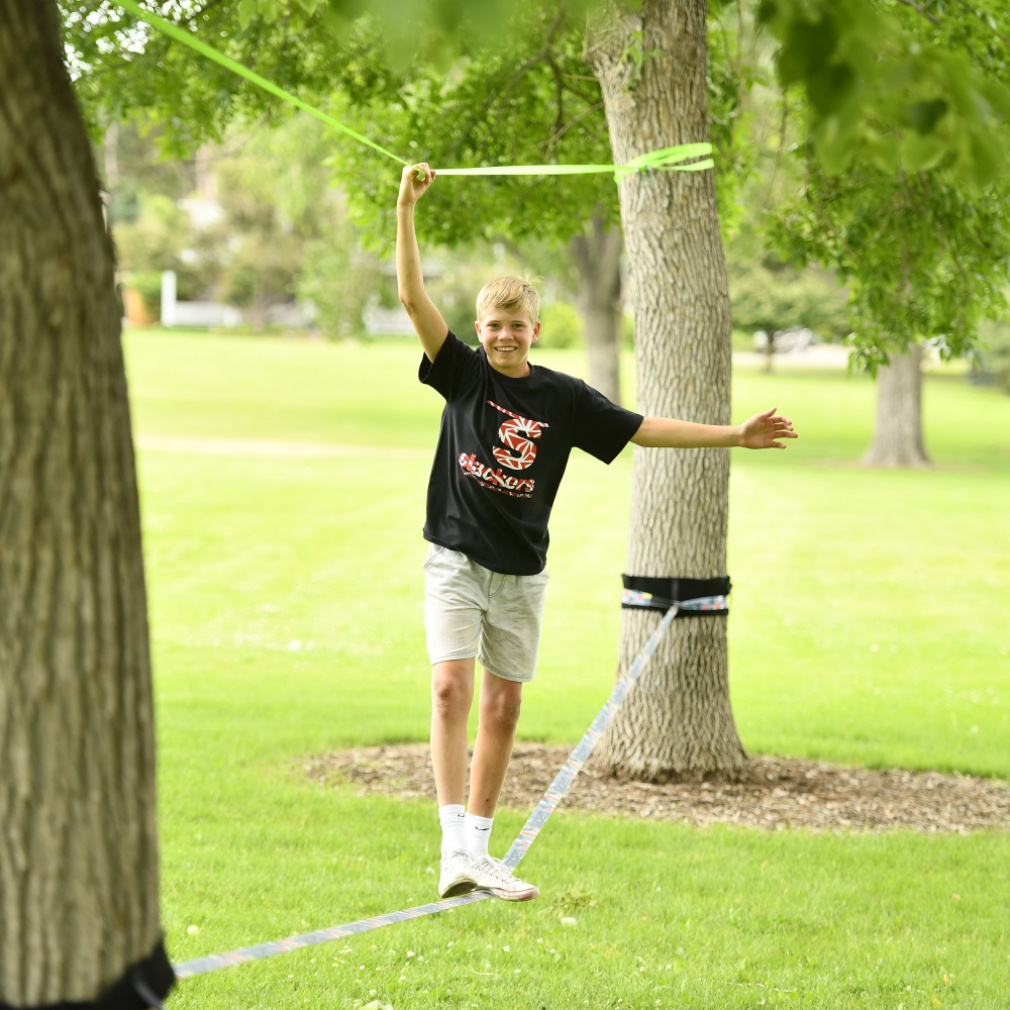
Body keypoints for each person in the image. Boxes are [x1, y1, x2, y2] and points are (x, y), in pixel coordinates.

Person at [396, 162, 797, 902]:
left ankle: (479, 852)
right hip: (455, 561)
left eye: (517, 326)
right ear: (479, 332)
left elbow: (642, 429)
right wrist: (406, 208)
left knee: (504, 707)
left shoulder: (563, 397)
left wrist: (734, 436)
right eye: (493, 326)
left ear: (535, 331)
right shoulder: (462, 374)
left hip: (521, 572)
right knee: (450, 690)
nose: (505, 335)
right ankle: (452, 850)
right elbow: (412, 296)